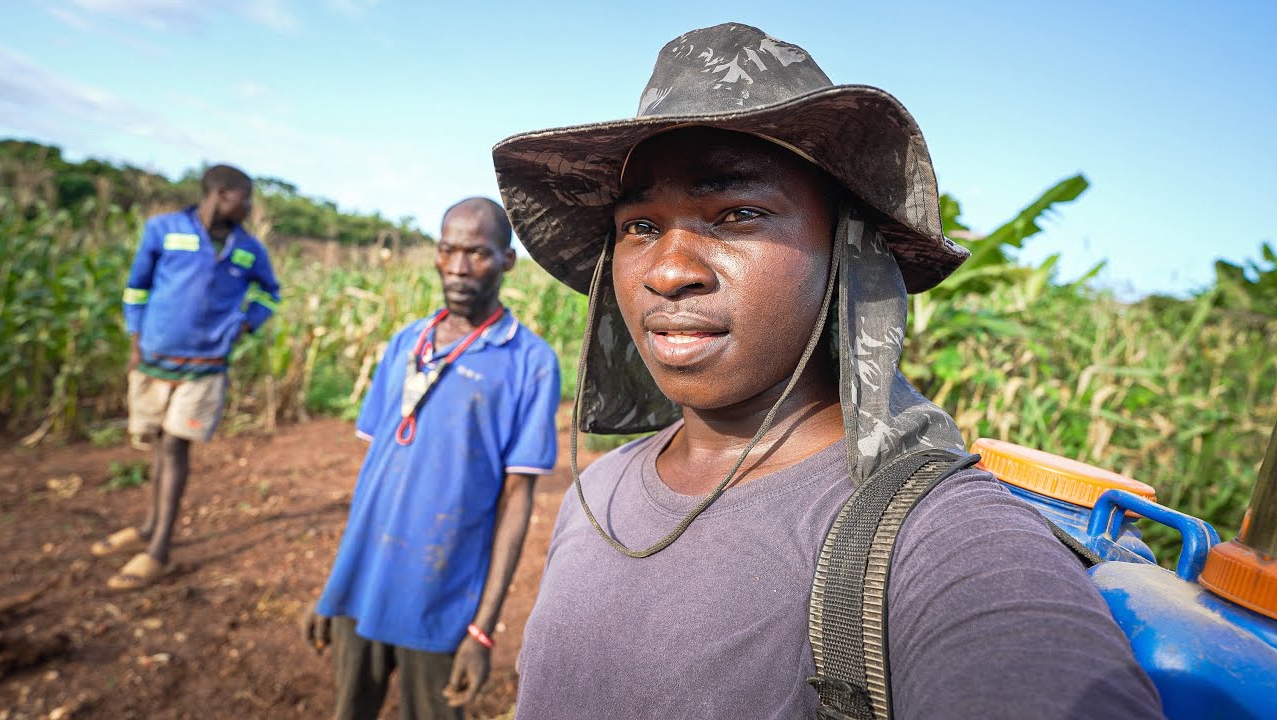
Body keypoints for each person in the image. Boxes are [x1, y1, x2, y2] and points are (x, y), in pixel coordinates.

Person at [492, 23, 1164, 719]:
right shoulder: (596, 490)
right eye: (640, 226)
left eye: (737, 213)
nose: (668, 270)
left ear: (844, 251)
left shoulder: (936, 543)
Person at [301, 197, 560, 719]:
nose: (459, 267)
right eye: (448, 250)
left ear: (507, 261)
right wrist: (333, 589)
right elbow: (375, 480)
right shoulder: (405, 342)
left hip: (440, 596)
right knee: (350, 709)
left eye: (477, 253)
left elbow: (516, 502)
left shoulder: (530, 361)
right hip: (363, 586)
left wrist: (482, 630)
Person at [92, 164, 280, 591]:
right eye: (244, 197)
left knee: (176, 447)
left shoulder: (249, 249)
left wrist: (246, 324)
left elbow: (270, 293)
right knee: (160, 444)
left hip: (206, 367)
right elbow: (136, 287)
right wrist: (134, 336)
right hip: (156, 359)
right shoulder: (164, 231)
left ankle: (159, 550)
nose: (249, 207)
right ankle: (147, 527)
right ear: (220, 193)